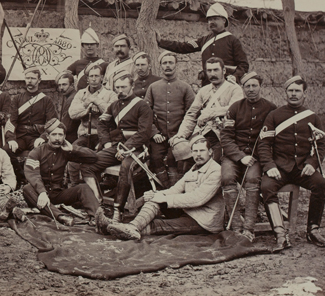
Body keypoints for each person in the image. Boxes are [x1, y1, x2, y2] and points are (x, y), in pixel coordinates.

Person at [96, 137, 224, 241]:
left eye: (202, 150)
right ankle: (131, 227)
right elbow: (175, 189)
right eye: (195, 151)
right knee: (154, 199)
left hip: (203, 221)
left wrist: (164, 199)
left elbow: (198, 199)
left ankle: (111, 228)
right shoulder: (194, 168)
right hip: (188, 211)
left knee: (159, 225)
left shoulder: (215, 171)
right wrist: (156, 194)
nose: (198, 155)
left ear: (210, 152)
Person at [258, 75, 325, 250]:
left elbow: (320, 144)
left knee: (321, 184)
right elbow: (264, 144)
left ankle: (313, 229)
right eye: (290, 91)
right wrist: (270, 166)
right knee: (266, 187)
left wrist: (312, 163)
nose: (293, 94)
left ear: (304, 94)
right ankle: (280, 233)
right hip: (279, 168)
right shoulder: (274, 115)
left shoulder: (313, 117)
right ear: (285, 93)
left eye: (297, 91)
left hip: (302, 169)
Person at [81, 73, 153, 223]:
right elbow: (102, 124)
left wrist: (126, 148)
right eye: (117, 87)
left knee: (125, 167)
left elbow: (144, 133)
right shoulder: (114, 106)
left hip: (137, 148)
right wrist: (106, 142)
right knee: (87, 165)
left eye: (124, 87)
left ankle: (118, 209)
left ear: (132, 86)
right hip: (117, 146)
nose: (120, 90)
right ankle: (98, 203)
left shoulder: (142, 105)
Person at [220, 71, 277, 242]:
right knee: (227, 177)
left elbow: (272, 139)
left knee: (252, 180)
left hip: (257, 157)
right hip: (234, 155)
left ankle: (249, 229)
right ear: (243, 88)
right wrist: (239, 156)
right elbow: (226, 137)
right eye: (247, 86)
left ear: (261, 87)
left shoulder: (271, 109)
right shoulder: (235, 107)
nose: (251, 89)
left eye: (254, 86)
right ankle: (236, 226)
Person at [23, 119, 100, 226]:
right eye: (54, 135)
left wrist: (73, 148)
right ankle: (61, 217)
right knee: (27, 189)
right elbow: (32, 174)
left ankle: (98, 218)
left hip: (57, 195)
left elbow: (93, 157)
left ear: (64, 137)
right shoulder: (36, 152)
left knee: (83, 188)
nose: (57, 138)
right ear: (47, 136)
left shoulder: (65, 151)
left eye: (61, 135)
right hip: (40, 195)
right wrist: (42, 192)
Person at [171, 57, 244, 164]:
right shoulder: (204, 91)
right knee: (182, 159)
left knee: (212, 163)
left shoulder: (234, 89)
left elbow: (234, 109)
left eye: (216, 70)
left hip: (223, 135)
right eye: (209, 71)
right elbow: (191, 115)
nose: (212, 74)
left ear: (223, 71)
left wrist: (209, 114)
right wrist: (181, 135)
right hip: (203, 134)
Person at [156, 3, 249, 86]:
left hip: (226, 85)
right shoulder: (204, 40)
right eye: (209, 20)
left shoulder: (233, 41)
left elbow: (243, 65)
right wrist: (161, 42)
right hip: (208, 85)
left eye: (215, 19)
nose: (211, 22)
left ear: (224, 21)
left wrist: (234, 77)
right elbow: (183, 47)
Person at [145, 51, 196, 188]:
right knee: (155, 158)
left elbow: (192, 112)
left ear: (176, 65)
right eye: (164, 63)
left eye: (171, 62)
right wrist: (154, 133)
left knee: (176, 159)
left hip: (178, 135)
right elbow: (145, 113)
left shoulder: (185, 87)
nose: (168, 66)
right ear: (160, 66)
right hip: (159, 136)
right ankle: (164, 189)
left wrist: (181, 135)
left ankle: (176, 190)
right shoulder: (153, 87)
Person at [4, 67, 57, 185]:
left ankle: (40, 181)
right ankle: (20, 178)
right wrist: (11, 139)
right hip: (21, 136)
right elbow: (11, 121)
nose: (30, 81)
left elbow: (52, 122)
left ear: (39, 80)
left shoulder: (46, 100)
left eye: (33, 78)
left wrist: (43, 137)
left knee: (44, 151)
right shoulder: (17, 99)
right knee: (7, 150)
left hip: (36, 136)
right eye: (27, 78)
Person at [68, 64, 117, 184]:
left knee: (95, 161)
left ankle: (97, 189)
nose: (94, 79)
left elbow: (114, 113)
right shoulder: (81, 94)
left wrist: (97, 101)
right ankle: (75, 188)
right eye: (91, 76)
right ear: (87, 79)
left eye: (97, 76)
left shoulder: (111, 94)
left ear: (102, 78)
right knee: (72, 156)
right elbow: (72, 113)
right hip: (85, 135)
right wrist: (87, 107)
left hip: (103, 137)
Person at [54, 71, 78, 143]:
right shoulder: (67, 96)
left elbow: (67, 125)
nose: (61, 88)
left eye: (64, 85)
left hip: (72, 136)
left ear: (72, 85)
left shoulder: (72, 99)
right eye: (59, 85)